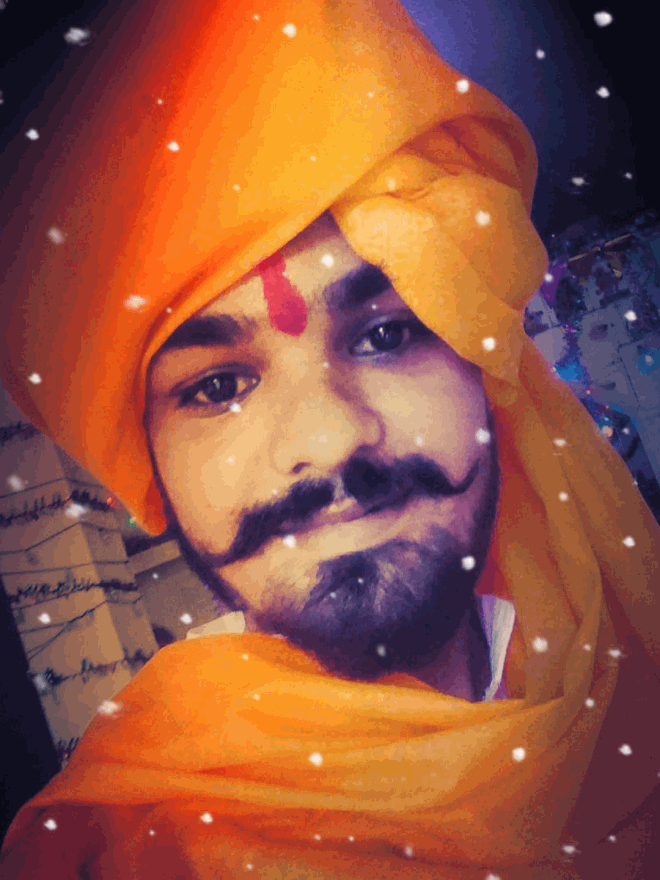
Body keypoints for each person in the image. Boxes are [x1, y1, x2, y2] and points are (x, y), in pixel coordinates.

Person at [1, 1, 658, 877]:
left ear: (485, 367)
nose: (332, 436)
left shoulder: (633, 661)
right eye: (218, 387)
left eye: (387, 334)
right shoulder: (137, 846)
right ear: (149, 460)